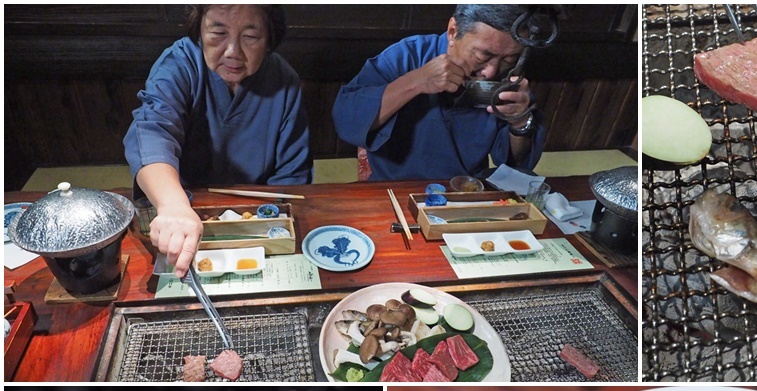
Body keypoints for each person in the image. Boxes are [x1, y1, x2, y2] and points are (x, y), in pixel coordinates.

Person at [124, 5, 312, 277]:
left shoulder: (284, 81)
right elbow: (152, 132)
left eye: (250, 37)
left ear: (270, 39)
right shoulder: (180, 64)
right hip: (183, 213)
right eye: (218, 32)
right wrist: (173, 205)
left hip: (257, 220)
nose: (232, 51)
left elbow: (292, 178)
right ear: (199, 29)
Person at [333, 5, 548, 182]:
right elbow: (347, 121)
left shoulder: (509, 78)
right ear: (453, 32)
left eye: (508, 59)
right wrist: (415, 81)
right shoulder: (408, 55)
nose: (491, 71)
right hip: (392, 189)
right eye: (483, 55)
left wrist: (521, 123)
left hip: (465, 192)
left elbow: (515, 165)